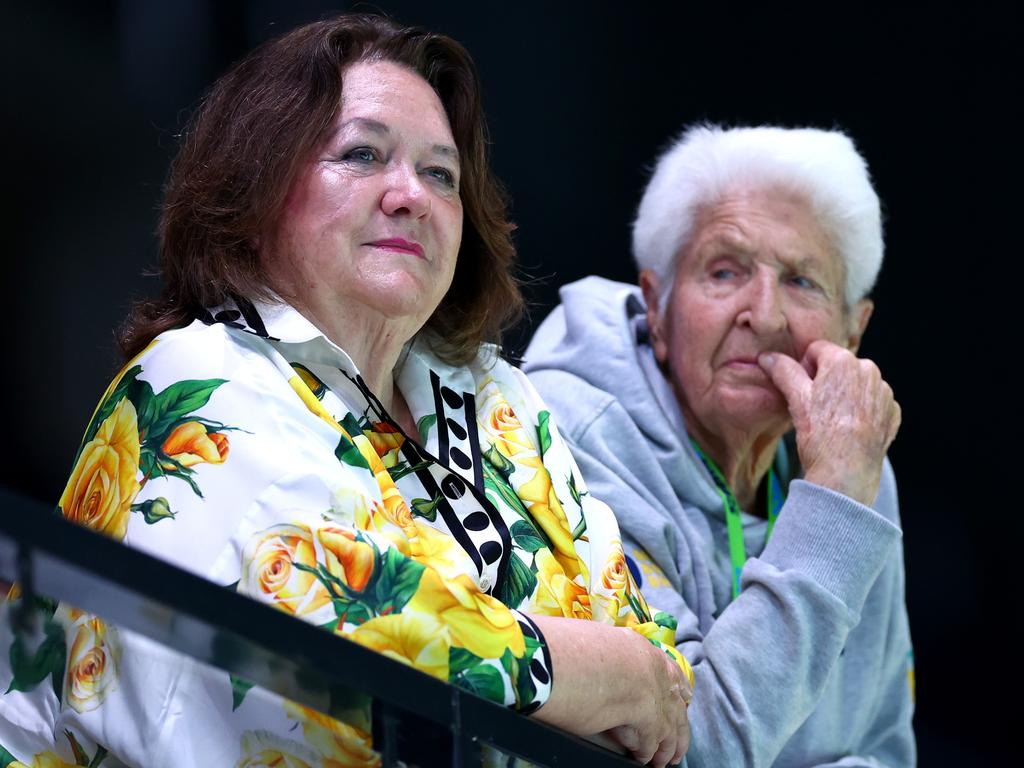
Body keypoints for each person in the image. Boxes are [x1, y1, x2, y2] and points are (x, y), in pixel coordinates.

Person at [0, 15, 692, 768]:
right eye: (362, 155)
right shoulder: (193, 377)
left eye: (440, 174)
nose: (410, 195)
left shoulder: (504, 402)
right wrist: (581, 672)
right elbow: (328, 630)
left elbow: (652, 664)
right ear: (255, 190)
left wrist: (615, 676)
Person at [524, 124, 914, 767]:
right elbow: (692, 748)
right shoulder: (571, 435)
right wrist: (835, 503)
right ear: (658, 307)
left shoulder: (855, 458)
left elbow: (885, 746)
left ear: (854, 330)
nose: (763, 315)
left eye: (803, 281)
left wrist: (842, 485)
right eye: (725, 271)